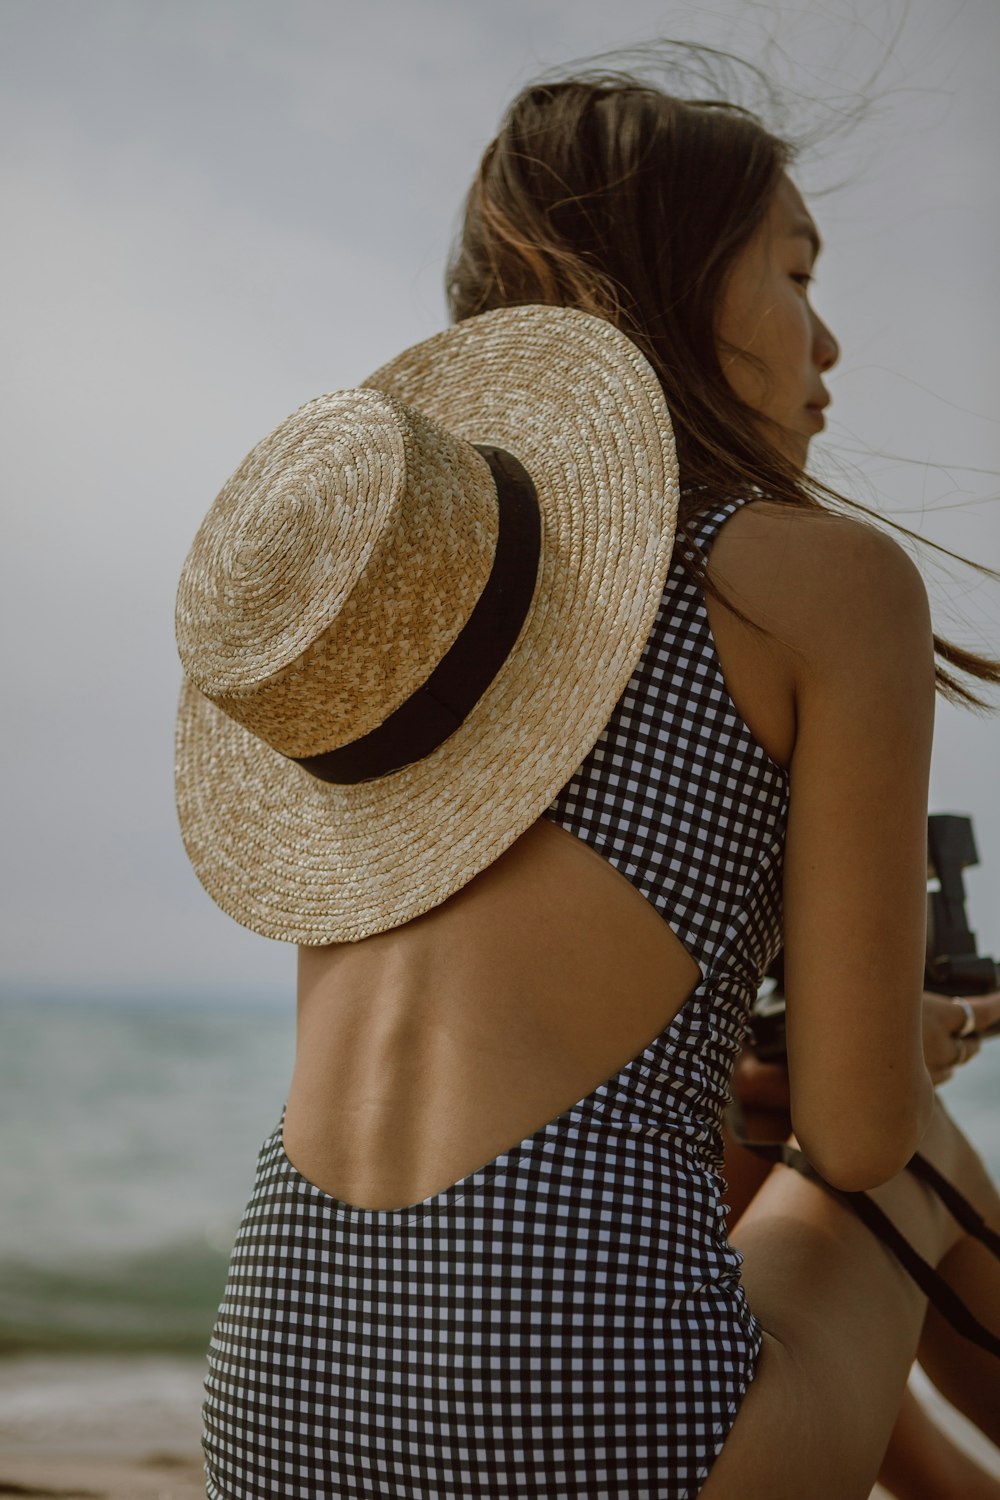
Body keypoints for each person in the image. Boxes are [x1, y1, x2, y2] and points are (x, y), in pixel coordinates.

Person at [175, 59, 1000, 1500]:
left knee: (743, 1180)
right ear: (679, 285)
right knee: (911, 1160)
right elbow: (859, 1133)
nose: (833, 346)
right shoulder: (818, 584)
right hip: (574, 1434)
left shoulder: (413, 639)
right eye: (798, 273)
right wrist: (908, 1043)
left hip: (274, 1419)